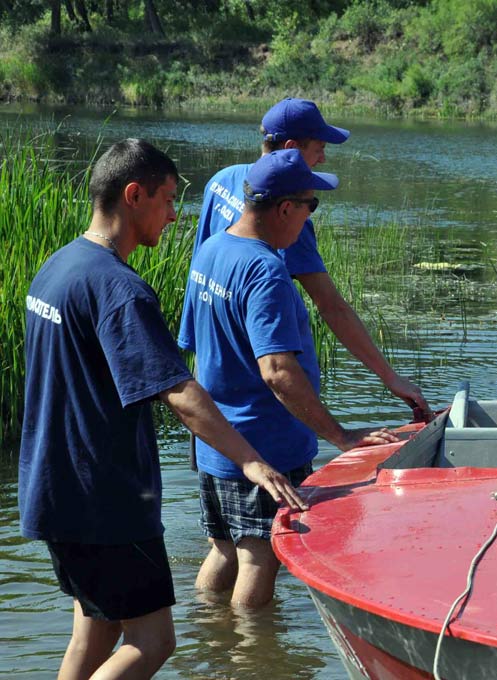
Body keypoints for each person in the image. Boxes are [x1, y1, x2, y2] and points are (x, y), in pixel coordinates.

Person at [18, 139, 307, 680]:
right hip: (105, 501)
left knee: (96, 630)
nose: (176, 215)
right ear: (133, 195)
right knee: (152, 641)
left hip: (53, 490)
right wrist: (249, 460)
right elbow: (178, 390)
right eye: (168, 199)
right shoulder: (120, 289)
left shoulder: (57, 268)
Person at [179, 149, 400, 608]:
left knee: (223, 548)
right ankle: (252, 658)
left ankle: (208, 637)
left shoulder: (211, 250)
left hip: (218, 442)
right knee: (261, 556)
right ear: (284, 208)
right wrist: (340, 435)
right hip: (265, 448)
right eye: (310, 206)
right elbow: (278, 372)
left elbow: (192, 342)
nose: (309, 218)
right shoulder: (265, 271)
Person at [180, 97, 430, 416]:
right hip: (263, 403)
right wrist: (391, 378)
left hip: (210, 385)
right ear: (290, 148)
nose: (323, 159)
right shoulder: (286, 221)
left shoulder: (222, 181)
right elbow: (331, 306)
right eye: (318, 148)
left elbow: (200, 273)